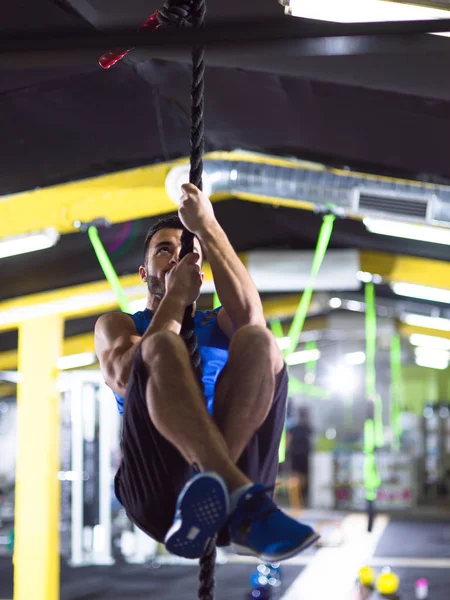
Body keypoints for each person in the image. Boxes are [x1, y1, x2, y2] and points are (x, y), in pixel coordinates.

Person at [94, 183, 318, 561]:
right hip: (159, 492)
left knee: (259, 342)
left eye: (186, 252)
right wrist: (176, 299)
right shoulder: (119, 324)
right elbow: (123, 375)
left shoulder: (220, 321)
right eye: (164, 250)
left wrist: (209, 228)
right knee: (161, 345)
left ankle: (218, 487)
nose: (176, 257)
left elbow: (252, 318)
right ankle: (233, 492)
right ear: (143, 271)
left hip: (238, 481)